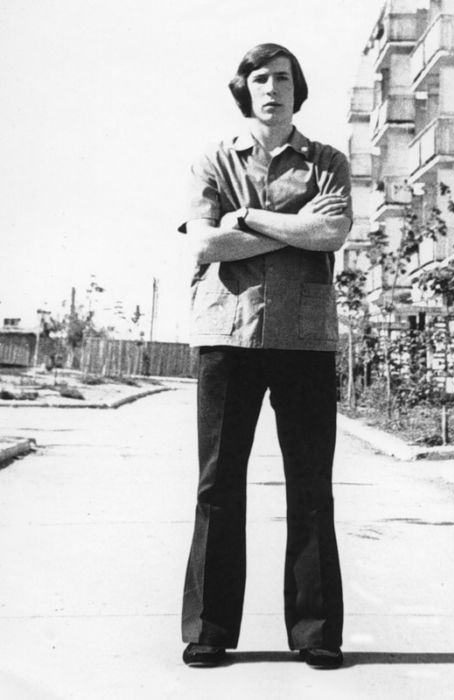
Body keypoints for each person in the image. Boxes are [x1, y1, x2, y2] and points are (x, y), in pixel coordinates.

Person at [178, 42, 352, 669]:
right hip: (227, 334)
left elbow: (331, 232)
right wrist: (293, 227)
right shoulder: (213, 159)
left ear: (297, 89)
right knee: (218, 483)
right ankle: (209, 629)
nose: (272, 88)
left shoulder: (327, 161)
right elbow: (204, 244)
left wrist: (247, 216)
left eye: (282, 78)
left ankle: (316, 632)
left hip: (305, 337)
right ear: (244, 89)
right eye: (259, 78)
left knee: (311, 485)